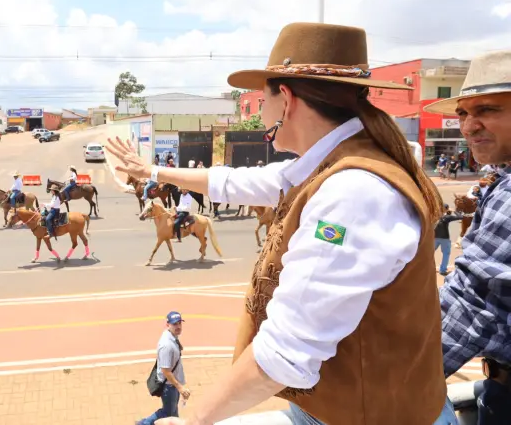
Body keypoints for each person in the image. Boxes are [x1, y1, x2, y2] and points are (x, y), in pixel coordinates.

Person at [107, 22, 456, 425]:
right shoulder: (334, 162)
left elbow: (285, 354)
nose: (259, 112)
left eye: (262, 99)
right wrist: (151, 171)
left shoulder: (351, 192)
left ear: (286, 100)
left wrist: (192, 421)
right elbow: (237, 182)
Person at [424, 50, 511, 424]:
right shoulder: (500, 179)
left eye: (488, 110)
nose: (469, 126)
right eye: (462, 113)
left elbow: (474, 305)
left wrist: (384, 378)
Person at [136, 311, 190, 425]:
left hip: (172, 385)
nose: (178, 326)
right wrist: (180, 387)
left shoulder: (171, 336)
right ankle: (144, 424)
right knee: (167, 413)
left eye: (179, 323)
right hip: (169, 386)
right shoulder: (166, 345)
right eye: (175, 324)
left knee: (172, 412)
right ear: (168, 325)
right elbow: (166, 371)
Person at [434, 204, 463, 276]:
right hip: (444, 238)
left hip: (435, 237)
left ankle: (427, 268)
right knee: (446, 254)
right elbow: (461, 217)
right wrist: (455, 211)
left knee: (430, 253)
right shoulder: (447, 217)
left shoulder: (435, 215)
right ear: (446, 209)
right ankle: (442, 270)